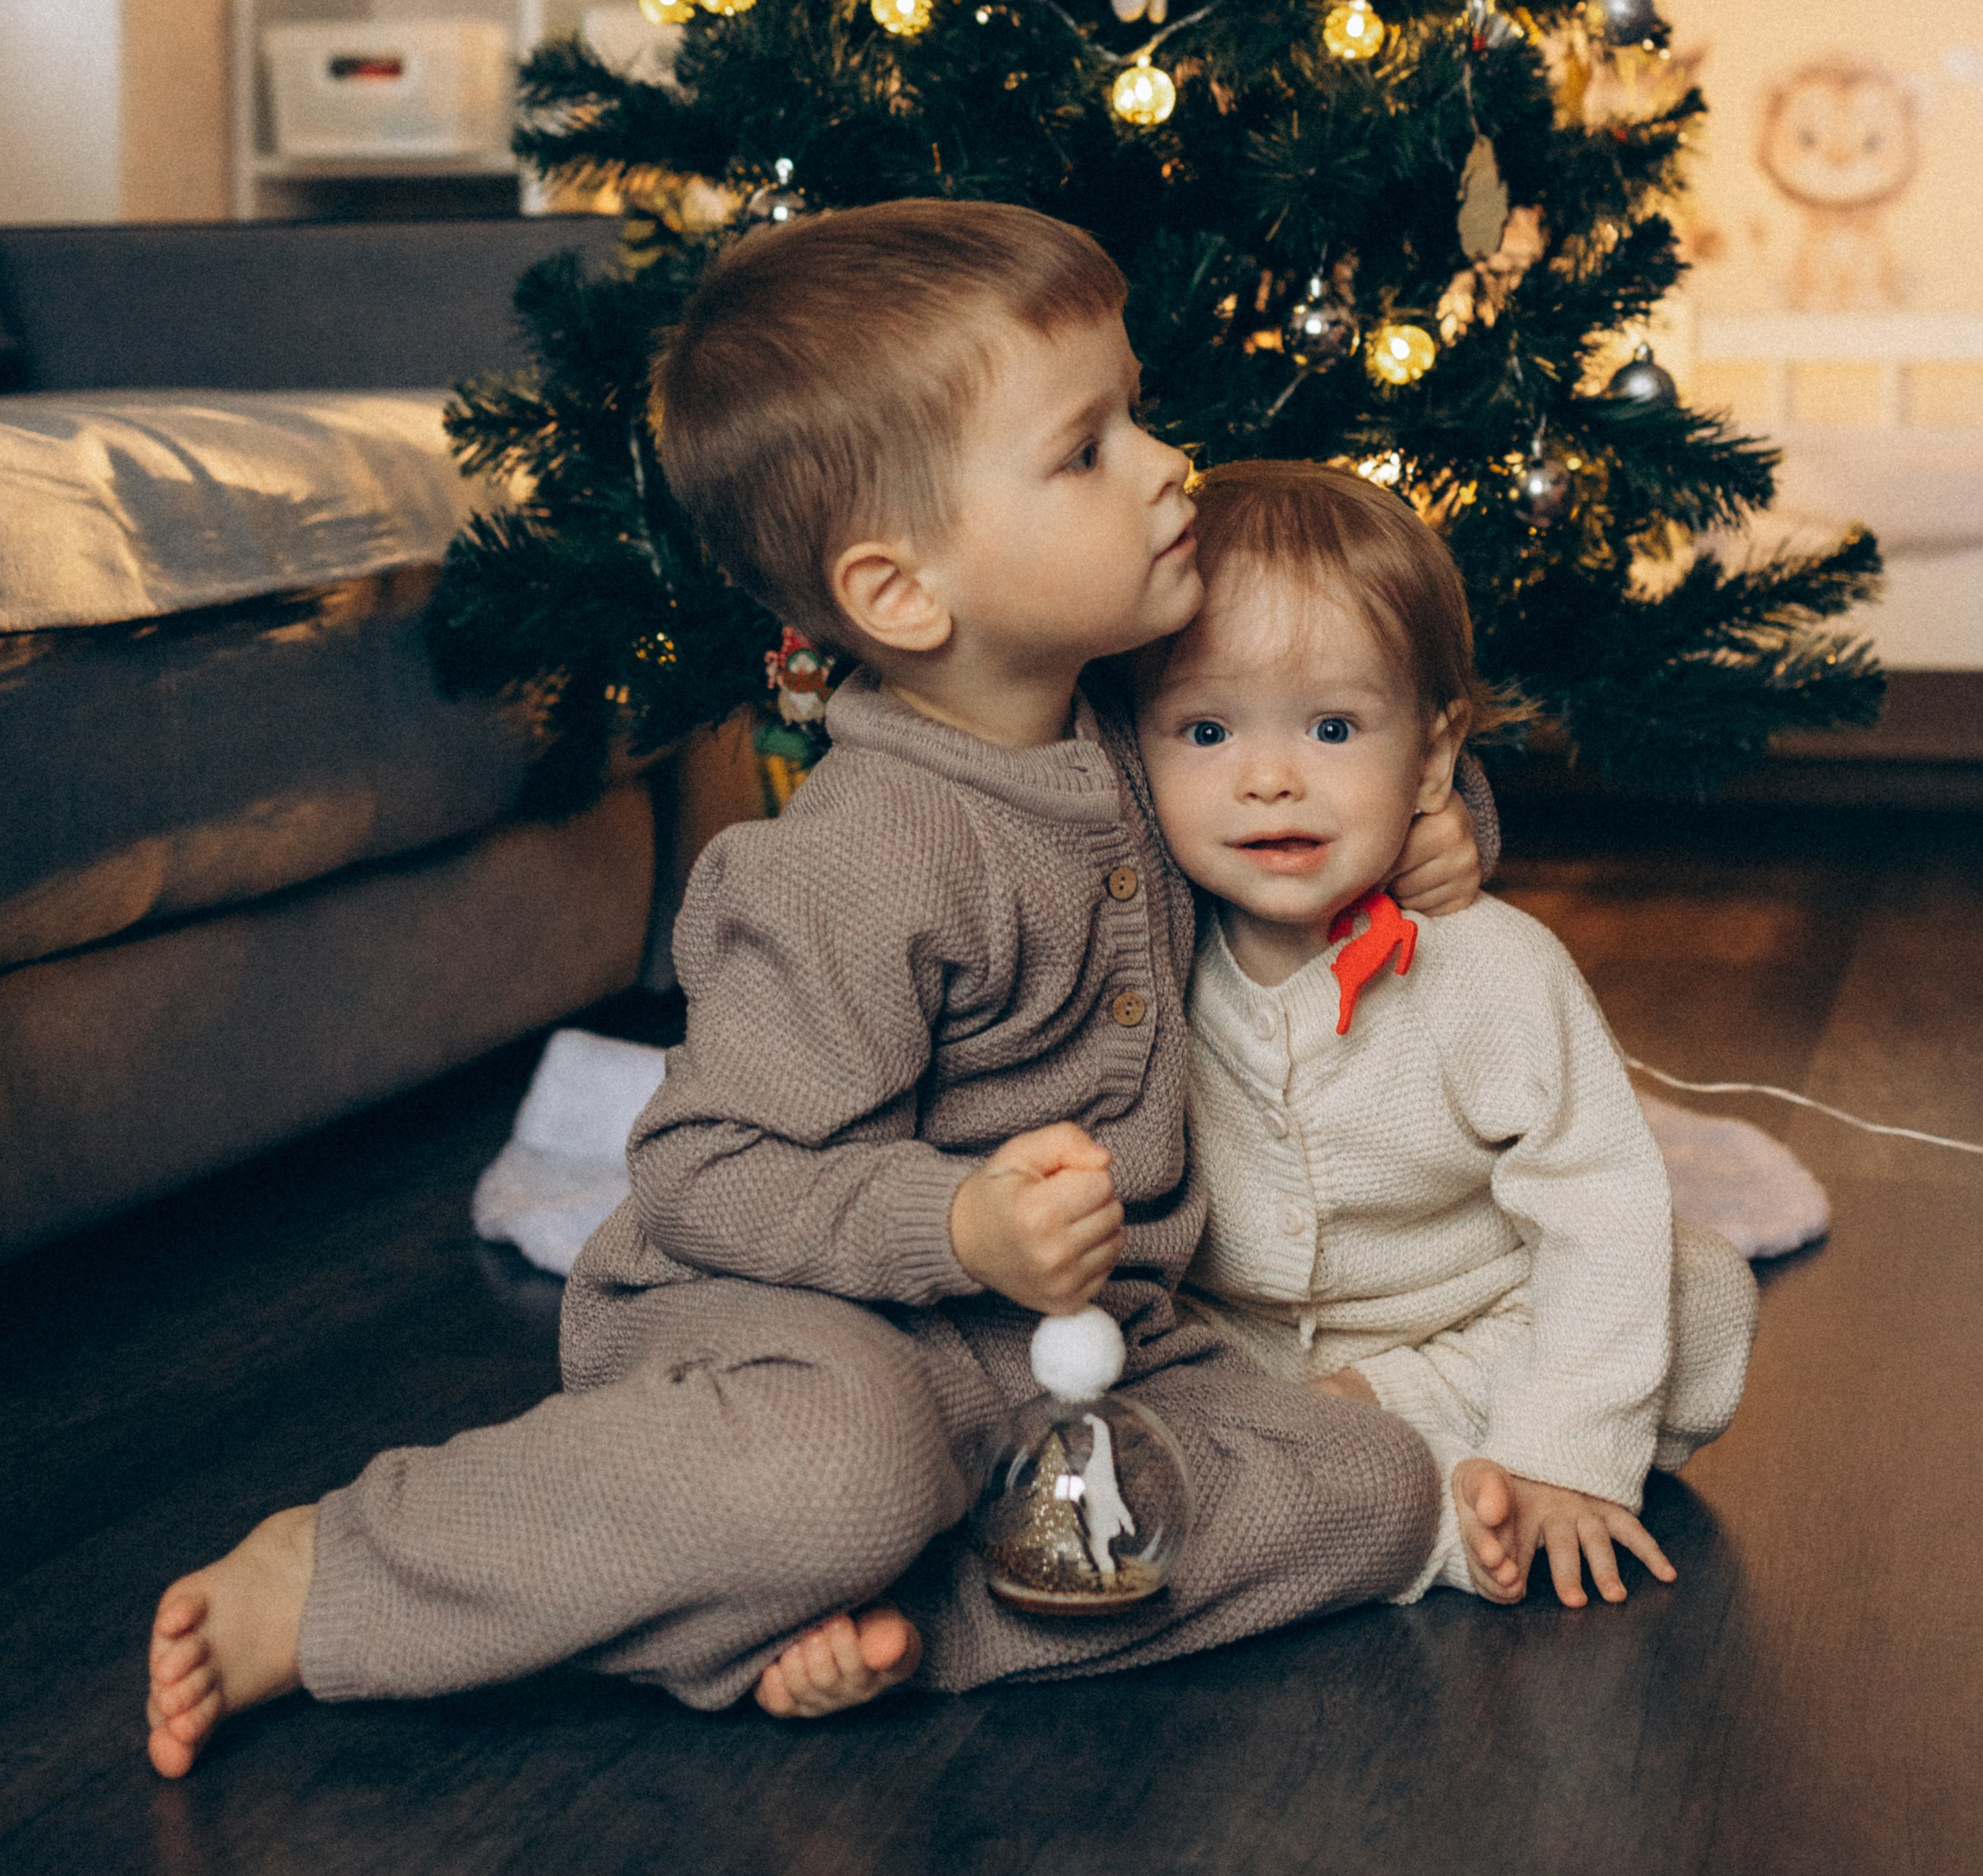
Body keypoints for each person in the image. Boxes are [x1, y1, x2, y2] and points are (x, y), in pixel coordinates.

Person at [146, 204, 1489, 1774]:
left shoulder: (1146, 710)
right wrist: (958, 1227)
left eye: (1133, 412)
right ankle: (357, 1566)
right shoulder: (866, 857)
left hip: (1071, 1346)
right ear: (903, 592)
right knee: (841, 1473)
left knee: (1375, 1483)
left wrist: (1433, 836)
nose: (1162, 463)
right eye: (1086, 448)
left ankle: (913, 1631)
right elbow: (700, 1174)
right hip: (794, 1328)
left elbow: (1328, 762)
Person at [1136, 459, 1759, 1612]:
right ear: (1137, 751)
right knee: (1103, 1399)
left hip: (1473, 1316)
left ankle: (1415, 1456)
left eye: (1332, 726)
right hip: (1228, 1347)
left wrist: (1561, 1453)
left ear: (1430, 754)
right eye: (1207, 728)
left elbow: (1597, 1205)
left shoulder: (1493, 969)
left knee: (1699, 1290)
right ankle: (1393, 1484)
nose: (1270, 779)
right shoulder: (1139, 944)